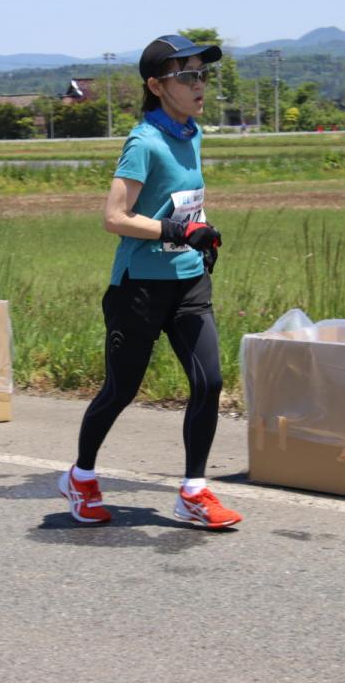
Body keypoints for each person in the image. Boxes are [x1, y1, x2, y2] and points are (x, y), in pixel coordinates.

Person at [58, 34, 242, 529]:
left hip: (187, 282)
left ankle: (194, 492)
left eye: (203, 75)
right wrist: (176, 230)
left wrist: (200, 236)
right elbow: (114, 217)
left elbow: (182, 201)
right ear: (157, 85)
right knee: (121, 390)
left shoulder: (193, 133)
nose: (200, 85)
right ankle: (81, 476)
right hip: (138, 286)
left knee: (210, 382)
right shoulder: (144, 141)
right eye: (188, 76)